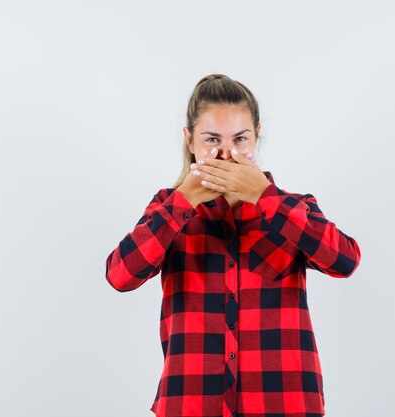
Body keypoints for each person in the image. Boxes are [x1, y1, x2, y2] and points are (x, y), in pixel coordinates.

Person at [105, 73, 362, 417]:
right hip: (190, 405)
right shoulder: (167, 208)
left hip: (284, 403)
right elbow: (121, 275)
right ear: (190, 140)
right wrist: (184, 201)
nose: (226, 153)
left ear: (257, 136)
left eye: (240, 139)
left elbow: (345, 261)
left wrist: (265, 197)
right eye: (211, 139)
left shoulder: (294, 207)